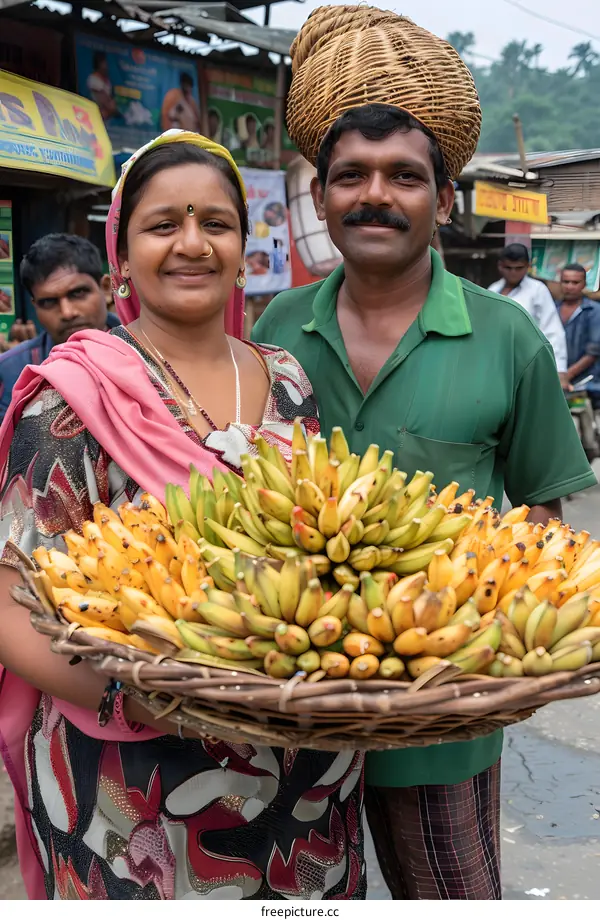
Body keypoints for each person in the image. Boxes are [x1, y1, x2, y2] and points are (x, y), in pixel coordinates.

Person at [252, 5, 597, 900]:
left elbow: (546, 534)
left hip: (445, 715)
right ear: (321, 194)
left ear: (444, 199)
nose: (376, 195)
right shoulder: (276, 330)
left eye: (406, 176)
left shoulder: (506, 339)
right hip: (290, 707)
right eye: (351, 175)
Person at [0, 130, 364, 901]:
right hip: (138, 789)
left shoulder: (290, 378)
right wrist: (133, 697)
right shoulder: (71, 398)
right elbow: (9, 603)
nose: (192, 244)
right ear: (122, 258)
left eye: (216, 224)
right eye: (163, 225)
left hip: (305, 777)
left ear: (241, 248)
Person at [0, 234, 118, 422]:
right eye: (48, 302)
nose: (67, 312)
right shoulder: (11, 371)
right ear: (35, 306)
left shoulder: (148, 353)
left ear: (105, 289)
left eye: (78, 293)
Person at [488, 243, 568, 381]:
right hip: (497, 361)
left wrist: (559, 369)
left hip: (529, 359)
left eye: (519, 268)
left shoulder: (537, 290)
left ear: (528, 266)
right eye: (508, 268)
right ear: (500, 265)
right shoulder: (492, 290)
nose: (513, 272)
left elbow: (552, 329)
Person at [557, 263, 600, 402]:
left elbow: (593, 352)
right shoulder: (551, 308)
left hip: (587, 384)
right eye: (566, 281)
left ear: (584, 284)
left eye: (575, 282)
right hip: (556, 382)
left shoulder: (594, 311)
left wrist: (565, 376)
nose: (569, 286)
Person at [87, 51, 117, 121]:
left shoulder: (107, 81)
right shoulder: (93, 79)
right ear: (99, 64)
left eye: (106, 63)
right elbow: (103, 99)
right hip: (97, 114)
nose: (106, 66)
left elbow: (110, 100)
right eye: (104, 63)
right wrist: (110, 107)